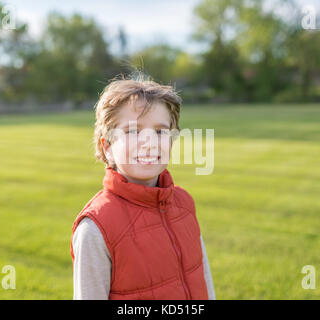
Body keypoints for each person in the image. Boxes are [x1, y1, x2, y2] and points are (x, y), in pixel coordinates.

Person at [71, 74, 216, 300]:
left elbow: (204, 279)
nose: (149, 142)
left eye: (160, 131)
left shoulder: (184, 204)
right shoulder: (95, 228)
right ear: (107, 146)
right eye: (133, 131)